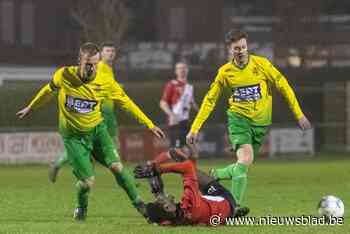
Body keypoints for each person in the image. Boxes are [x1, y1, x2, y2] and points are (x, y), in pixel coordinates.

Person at [16, 42, 165, 221]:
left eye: (95, 63)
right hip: (73, 137)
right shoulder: (64, 75)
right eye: (88, 63)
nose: (92, 68)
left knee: (117, 167)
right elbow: (48, 91)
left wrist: (149, 124)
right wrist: (31, 107)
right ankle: (81, 207)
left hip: (97, 131)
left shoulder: (105, 81)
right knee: (87, 182)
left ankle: (141, 206)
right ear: (79, 60)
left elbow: (126, 102)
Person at [186, 29, 311, 206]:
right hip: (238, 120)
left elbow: (284, 86)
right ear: (230, 49)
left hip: (261, 123)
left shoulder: (262, 65)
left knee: (243, 164)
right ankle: (233, 207)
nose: (241, 51)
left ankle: (216, 175)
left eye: (244, 47)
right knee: (244, 159)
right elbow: (209, 100)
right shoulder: (225, 72)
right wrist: (195, 128)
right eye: (237, 48)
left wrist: (298, 114)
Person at [48, 42, 121, 183]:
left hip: (108, 112)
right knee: (105, 143)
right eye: (107, 51)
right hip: (99, 111)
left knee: (104, 143)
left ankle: (60, 164)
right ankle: (122, 179)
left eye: (112, 51)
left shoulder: (109, 69)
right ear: (101, 54)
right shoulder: (97, 68)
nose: (110, 53)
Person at [134, 144, 249, 225]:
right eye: (161, 201)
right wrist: (158, 169)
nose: (167, 197)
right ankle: (218, 177)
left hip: (216, 216)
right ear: (168, 208)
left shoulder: (173, 220)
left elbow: (162, 220)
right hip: (226, 202)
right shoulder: (190, 203)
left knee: (160, 194)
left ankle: (231, 216)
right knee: (177, 155)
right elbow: (188, 167)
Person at [160, 62, 198, 148]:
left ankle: (154, 162)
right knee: (177, 150)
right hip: (176, 122)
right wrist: (171, 115)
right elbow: (162, 103)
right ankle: (153, 162)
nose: (182, 70)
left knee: (192, 149)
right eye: (179, 68)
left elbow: (191, 102)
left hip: (186, 122)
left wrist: (201, 112)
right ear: (176, 71)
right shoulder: (172, 85)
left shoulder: (189, 87)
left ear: (187, 70)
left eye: (184, 68)